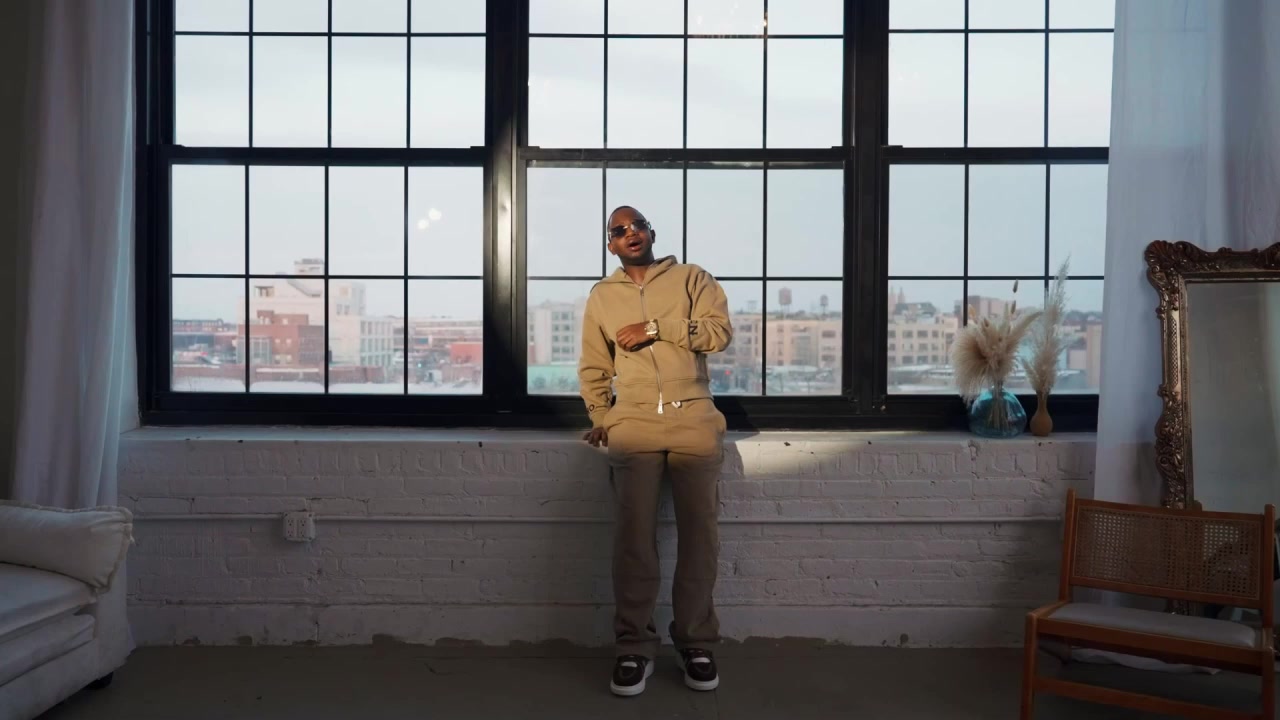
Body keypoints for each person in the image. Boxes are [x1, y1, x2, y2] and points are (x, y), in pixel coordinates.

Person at [578, 205, 733, 697]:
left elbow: (719, 333)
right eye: (619, 230)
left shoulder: (692, 278)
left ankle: (697, 644)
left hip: (694, 416)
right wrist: (601, 417)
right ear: (610, 244)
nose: (631, 233)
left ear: (651, 232)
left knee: (700, 538)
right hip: (634, 419)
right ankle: (633, 648)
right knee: (634, 540)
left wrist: (656, 328)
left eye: (638, 225)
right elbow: (594, 365)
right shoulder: (602, 296)